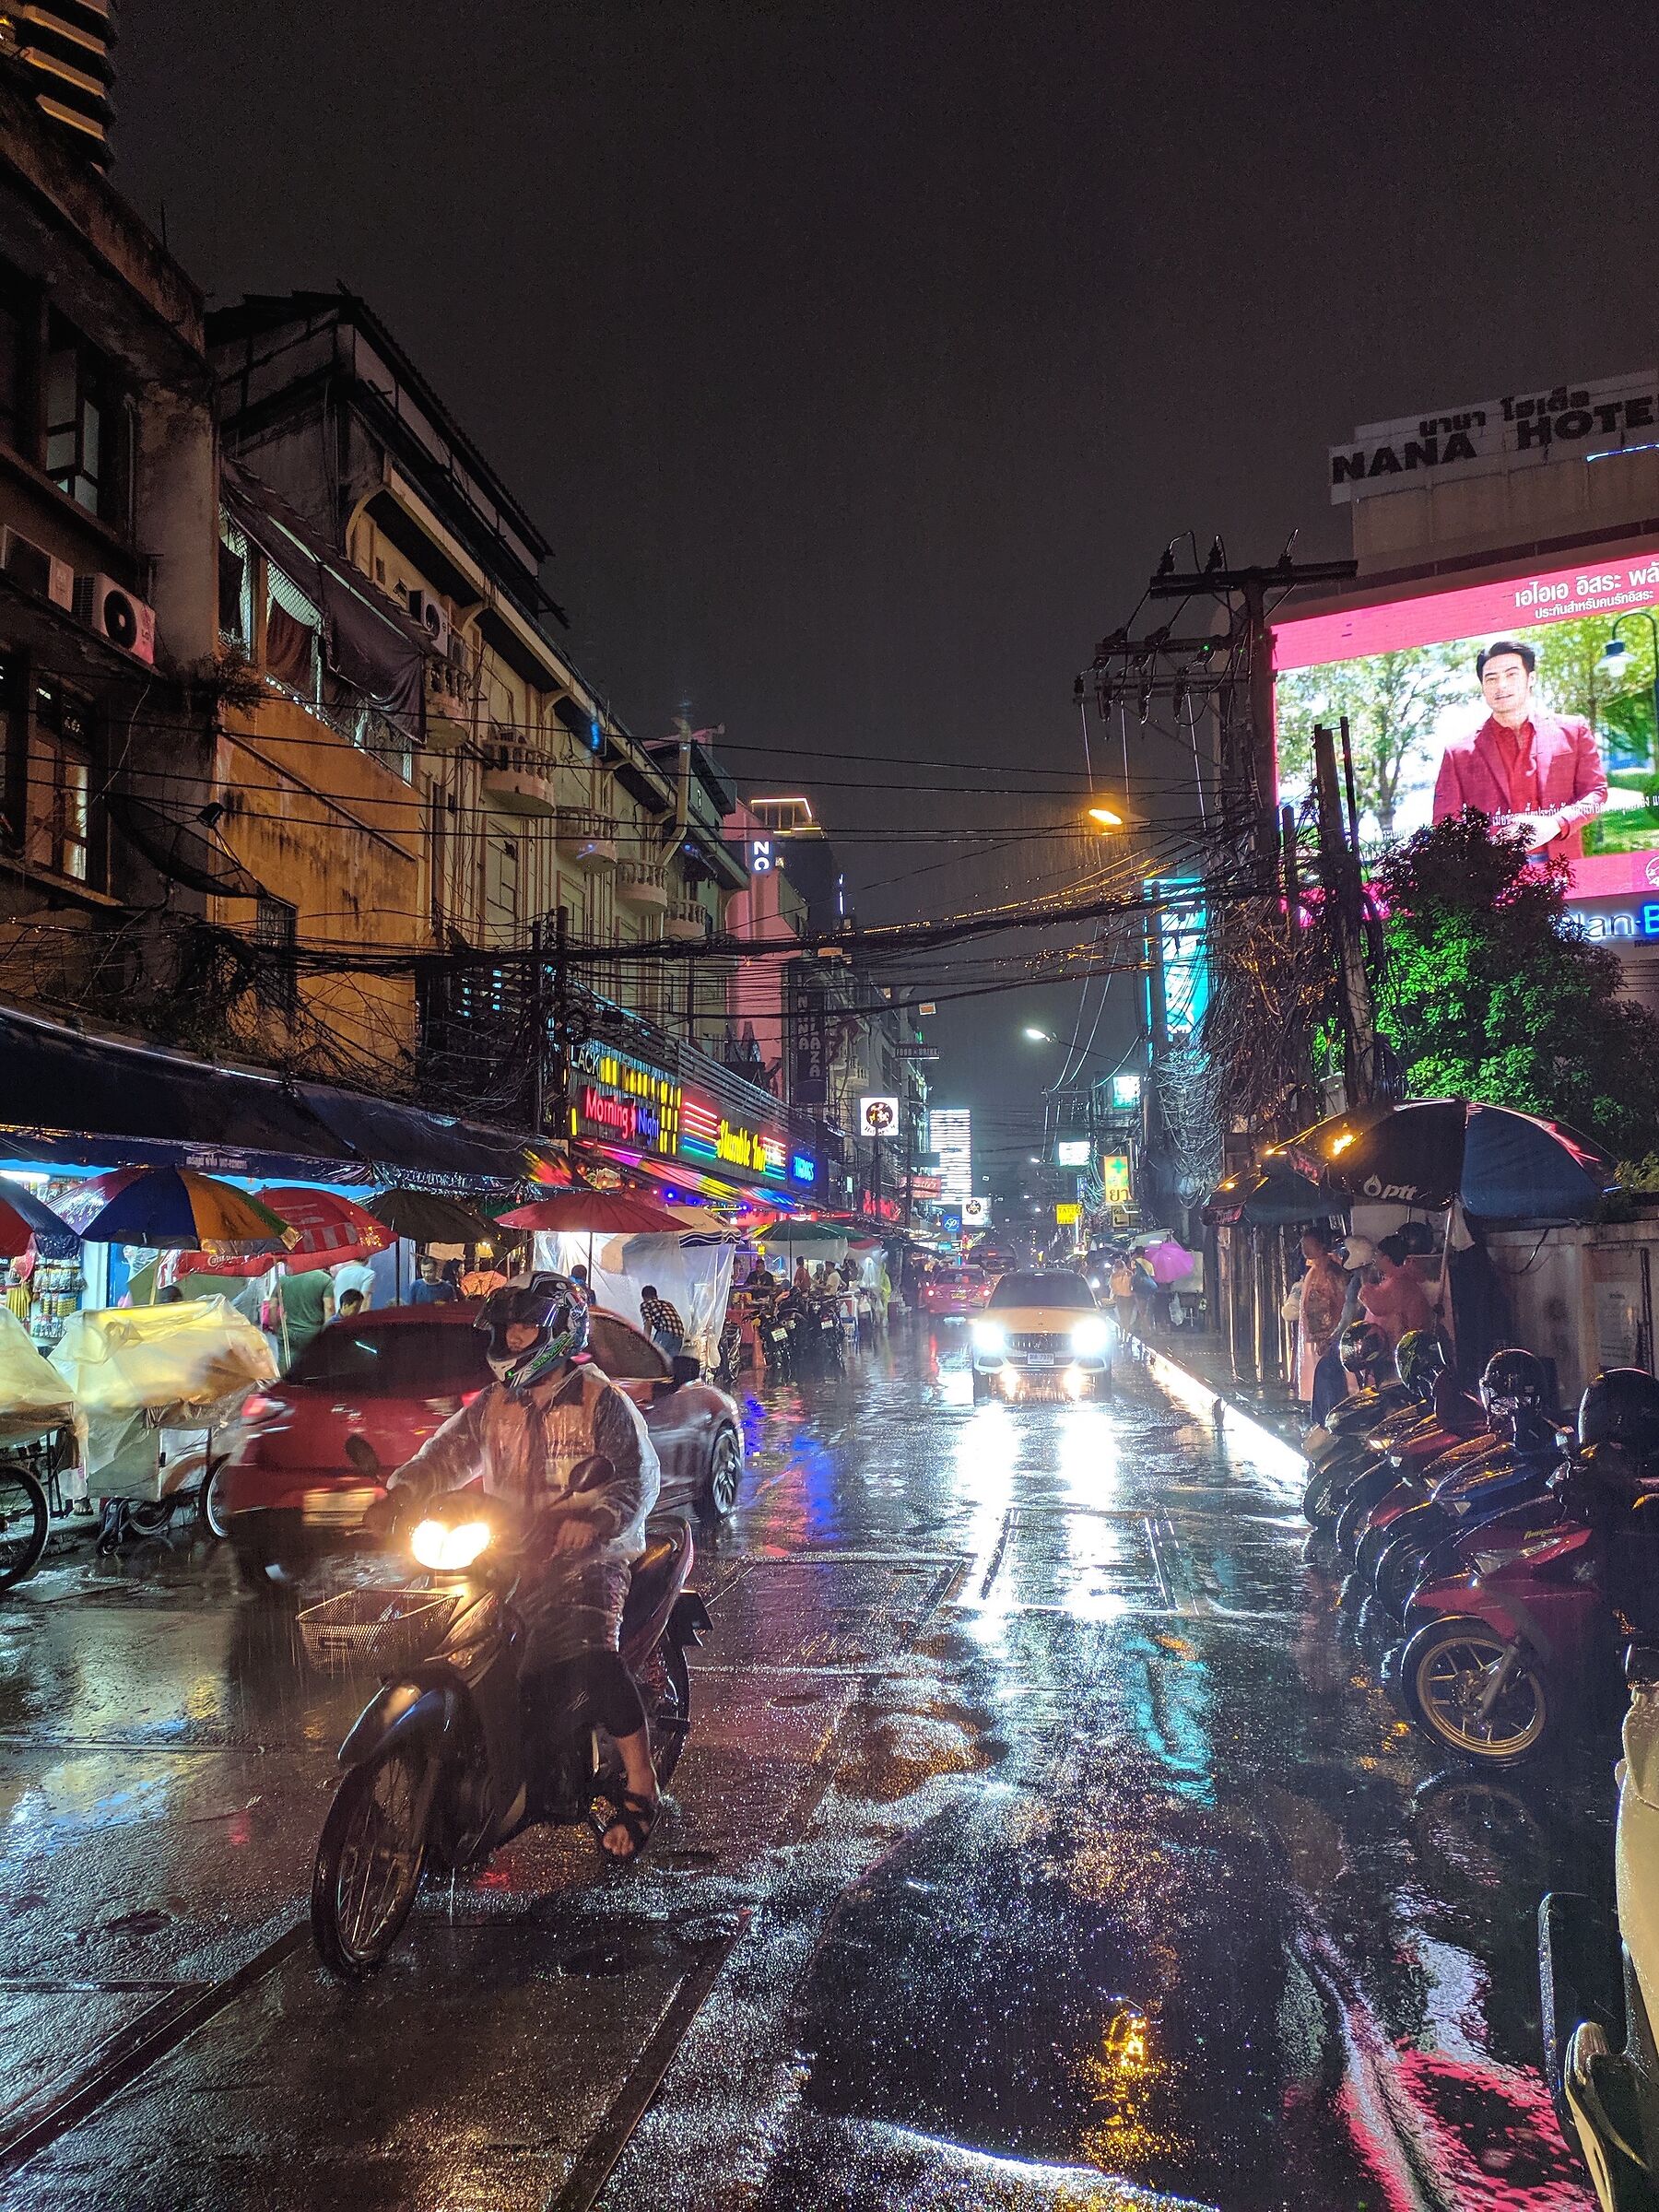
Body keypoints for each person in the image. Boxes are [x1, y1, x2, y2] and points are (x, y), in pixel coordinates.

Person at [372, 1273, 664, 1860]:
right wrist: (402, 1493)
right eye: (508, 1328)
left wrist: (598, 1518)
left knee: (591, 1657)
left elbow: (637, 1476)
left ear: (557, 1333)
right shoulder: (493, 1403)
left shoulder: (601, 1400)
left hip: (588, 1558)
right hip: (504, 1552)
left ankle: (641, 1779)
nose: (512, 1338)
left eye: (526, 1326)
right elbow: (445, 1455)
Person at [1432, 638, 1607, 862]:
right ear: (1483, 687)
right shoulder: (1458, 753)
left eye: (1511, 674)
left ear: (1530, 678)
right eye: (1491, 678)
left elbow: (1596, 792)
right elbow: (1445, 824)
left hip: (1563, 865)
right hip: (1494, 877)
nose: (1501, 685)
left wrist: (1556, 823)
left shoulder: (1573, 731)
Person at [1295, 1226, 1346, 1409]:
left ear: (1322, 1245)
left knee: (1329, 1378)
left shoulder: (1332, 1272)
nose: (1304, 1249)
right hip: (1314, 1335)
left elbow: (1339, 1304)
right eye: (1303, 1244)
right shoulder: (1313, 1271)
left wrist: (1330, 1335)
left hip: (1328, 1335)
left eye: (1308, 1244)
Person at [1360, 1232, 1435, 1351]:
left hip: (1405, 1347)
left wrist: (1364, 1277)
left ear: (1387, 1259)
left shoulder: (1398, 1283)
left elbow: (1375, 1305)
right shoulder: (1399, 1278)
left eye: (1377, 1255)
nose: (1374, 1259)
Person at [269, 1264, 334, 1365]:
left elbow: (272, 1306)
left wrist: (277, 1327)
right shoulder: (325, 1280)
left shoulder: (284, 1279)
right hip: (313, 1334)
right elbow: (329, 1308)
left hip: (288, 1332)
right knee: (311, 1369)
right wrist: (326, 1335)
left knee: (286, 1369)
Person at [639, 1283, 685, 1357]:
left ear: (644, 1297)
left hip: (666, 1334)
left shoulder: (645, 1304)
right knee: (670, 1364)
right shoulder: (667, 1303)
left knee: (654, 1358)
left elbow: (648, 1323)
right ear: (656, 1296)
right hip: (679, 1336)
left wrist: (645, 1343)